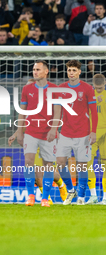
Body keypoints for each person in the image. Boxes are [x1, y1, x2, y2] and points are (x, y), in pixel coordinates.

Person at [16, 61, 62, 207]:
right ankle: (30, 196)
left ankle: (45, 198)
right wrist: (19, 131)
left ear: (46, 71)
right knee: (29, 162)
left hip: (48, 133)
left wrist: (54, 129)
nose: (35, 72)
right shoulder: (27, 89)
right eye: (33, 69)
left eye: (38, 69)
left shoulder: (55, 89)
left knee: (48, 165)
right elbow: (22, 111)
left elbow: (57, 111)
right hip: (31, 131)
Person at [54, 60, 98, 205]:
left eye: (74, 70)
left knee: (82, 166)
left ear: (79, 72)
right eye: (69, 70)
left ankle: (81, 197)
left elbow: (93, 112)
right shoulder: (61, 88)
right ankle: (71, 190)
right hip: (65, 132)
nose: (71, 73)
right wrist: (55, 129)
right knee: (60, 163)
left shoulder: (87, 88)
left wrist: (93, 131)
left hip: (83, 133)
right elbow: (58, 111)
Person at [86, 74, 106, 205]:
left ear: (104, 84)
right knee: (87, 163)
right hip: (91, 134)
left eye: (101, 88)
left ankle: (105, 197)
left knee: (104, 165)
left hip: (105, 133)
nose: (99, 90)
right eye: (97, 88)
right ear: (93, 85)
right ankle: (93, 195)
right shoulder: (88, 96)